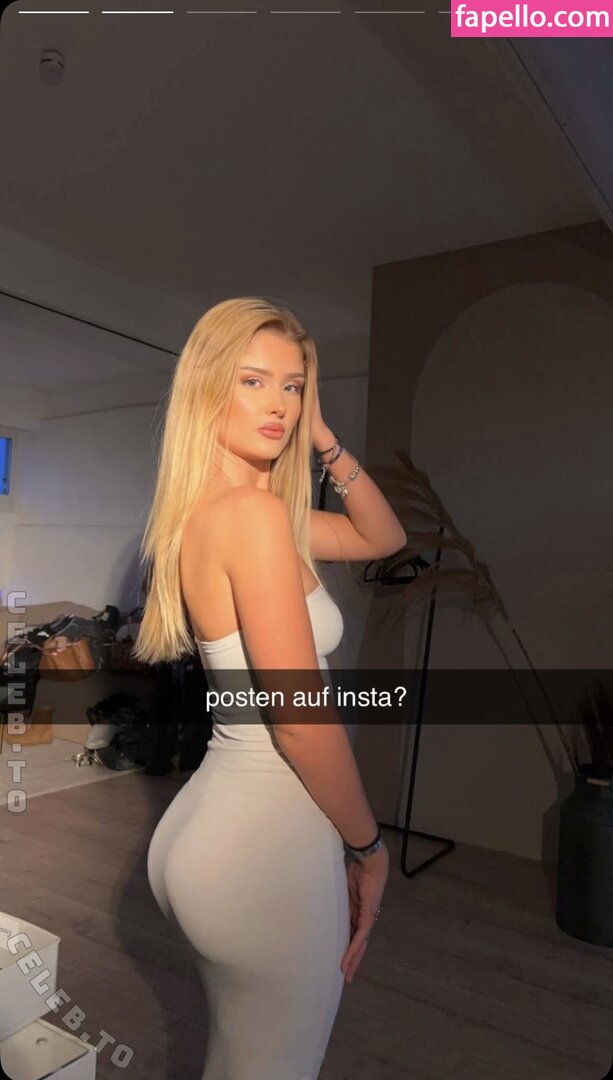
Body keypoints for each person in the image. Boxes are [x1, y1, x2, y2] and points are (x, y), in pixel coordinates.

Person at [136, 296, 406, 1080]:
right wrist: (369, 847)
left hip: (209, 823)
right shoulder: (251, 517)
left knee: (239, 1059)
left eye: (293, 387)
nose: (280, 405)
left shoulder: (219, 513)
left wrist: (323, 438)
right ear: (206, 387)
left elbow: (382, 537)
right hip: (265, 839)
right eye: (253, 381)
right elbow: (300, 721)